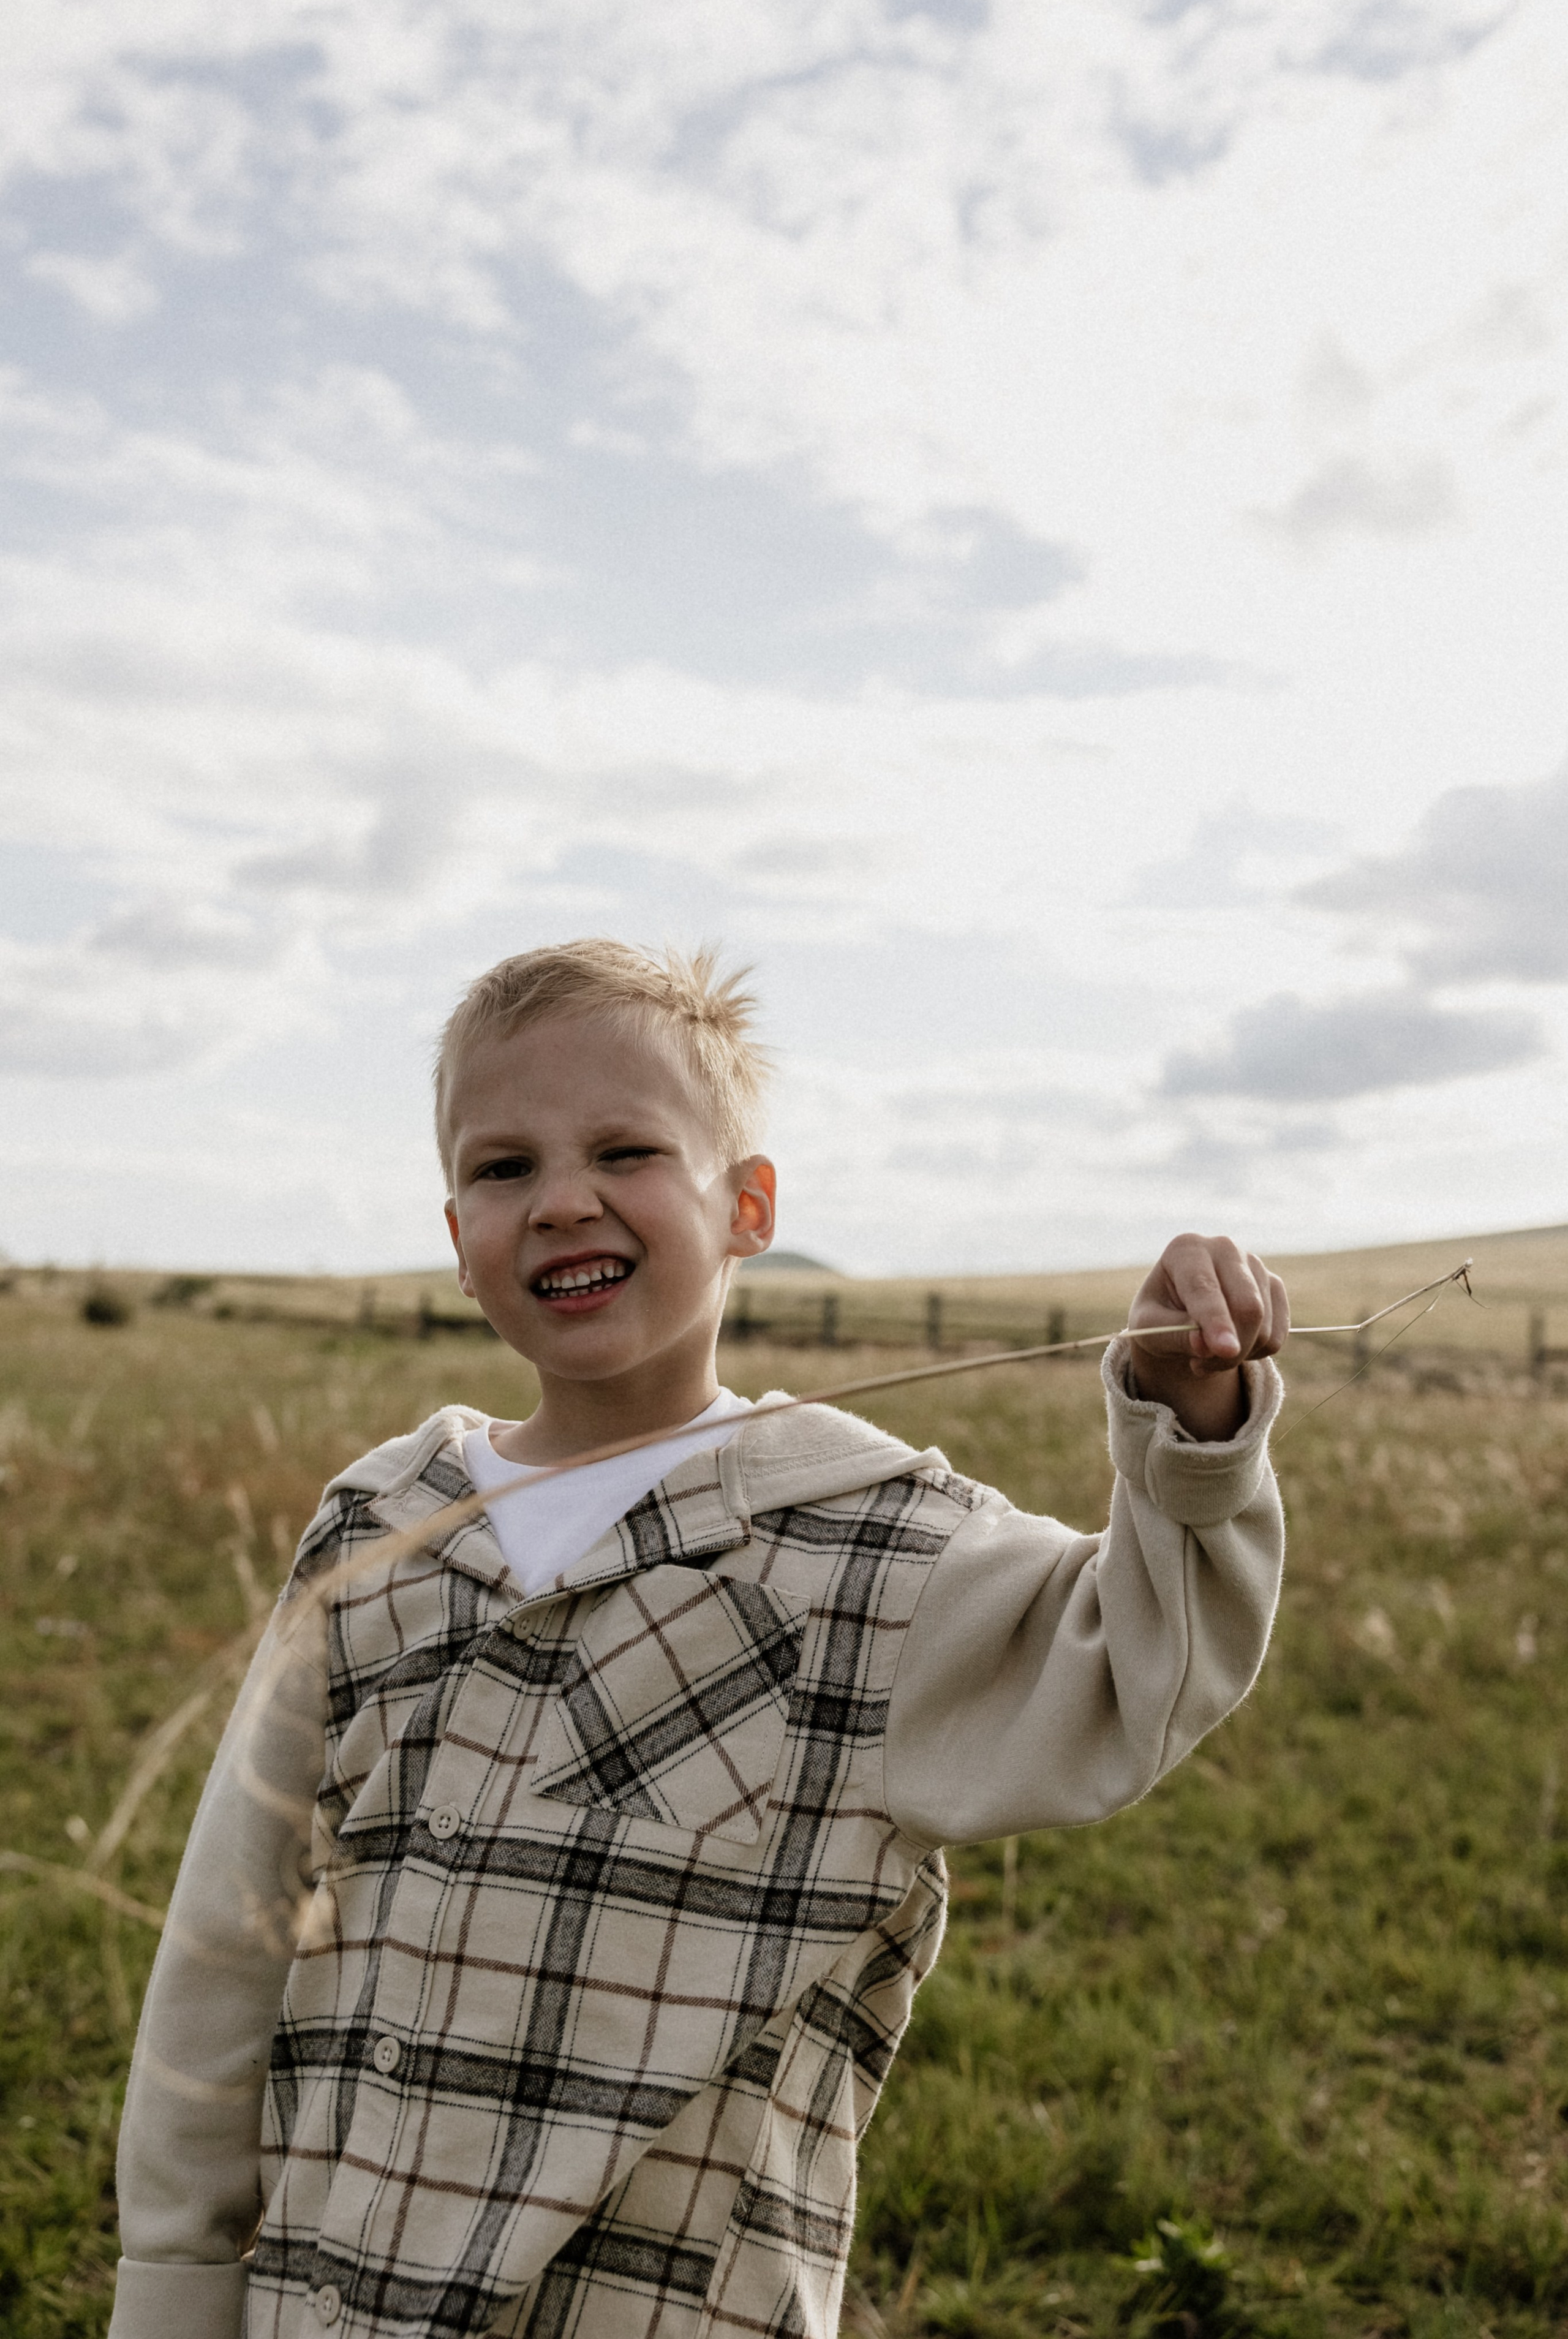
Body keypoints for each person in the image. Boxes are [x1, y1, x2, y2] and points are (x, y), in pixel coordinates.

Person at [109, 939, 1289, 2339]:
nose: (560, 1201)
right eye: (503, 1169)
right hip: (329, 2299)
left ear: (746, 1206)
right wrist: (175, 2275)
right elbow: (227, 1935)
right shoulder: (382, 1526)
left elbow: (1139, 1666)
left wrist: (1189, 1434)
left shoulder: (876, 1549)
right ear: (453, 1236)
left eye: (624, 1150)